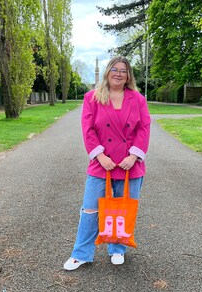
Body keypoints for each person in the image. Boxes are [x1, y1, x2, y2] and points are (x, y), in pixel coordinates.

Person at [63, 56, 151, 271]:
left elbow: (144, 128)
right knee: (90, 211)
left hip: (130, 166)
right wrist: (100, 156)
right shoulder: (92, 97)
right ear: (107, 72)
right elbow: (88, 129)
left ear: (128, 75)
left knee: (122, 211)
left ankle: (118, 249)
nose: (119, 73)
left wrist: (133, 156)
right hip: (101, 164)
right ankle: (81, 254)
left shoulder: (138, 99)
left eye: (123, 70)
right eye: (114, 69)